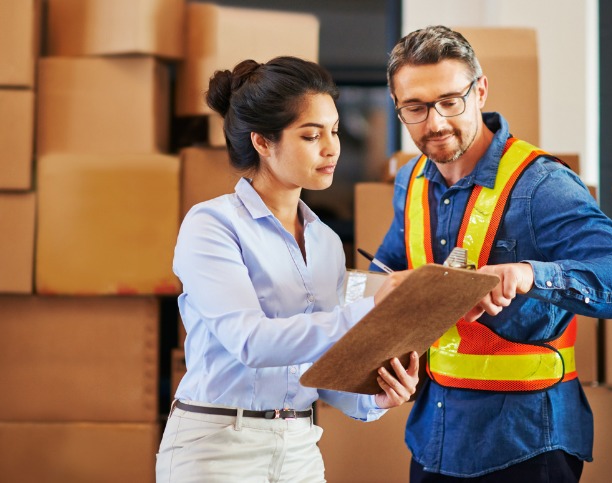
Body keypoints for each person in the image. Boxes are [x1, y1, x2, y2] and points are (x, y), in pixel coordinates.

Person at [372, 26, 612, 482]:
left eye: (450, 101)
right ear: (397, 107)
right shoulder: (410, 182)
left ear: (480, 90)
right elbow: (389, 268)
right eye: (415, 108)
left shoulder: (542, 185)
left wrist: (532, 274)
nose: (435, 123)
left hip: (527, 447)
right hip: (434, 441)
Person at [156, 56, 419, 483]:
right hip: (219, 446)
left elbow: (322, 370)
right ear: (262, 142)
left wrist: (377, 396)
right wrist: (370, 309)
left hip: (299, 445)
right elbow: (252, 343)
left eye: (333, 131)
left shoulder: (326, 242)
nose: (331, 147)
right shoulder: (212, 225)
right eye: (311, 135)